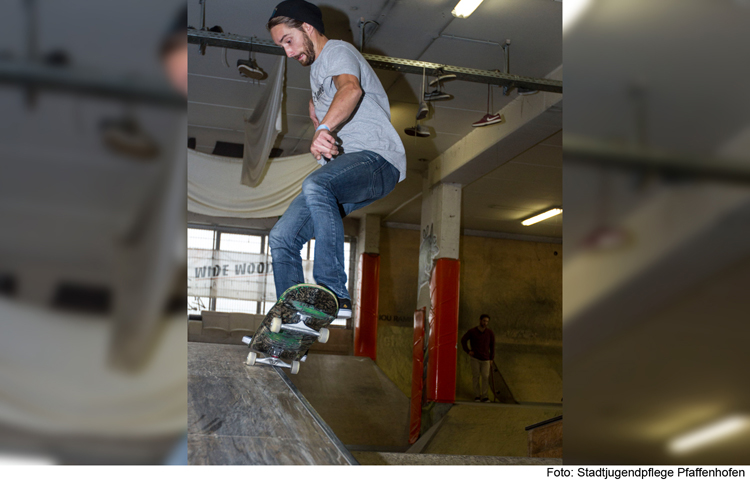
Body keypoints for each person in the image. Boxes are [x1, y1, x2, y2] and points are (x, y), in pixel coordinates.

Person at [266, 0, 406, 318]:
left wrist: (325, 126)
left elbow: (351, 89)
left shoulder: (337, 51)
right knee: (282, 236)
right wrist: (321, 126)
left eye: (288, 40)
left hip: (378, 160)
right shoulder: (317, 72)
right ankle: (291, 318)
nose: (287, 53)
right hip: (348, 170)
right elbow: (331, 112)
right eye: (281, 46)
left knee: (316, 185)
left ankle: (333, 292)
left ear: (308, 27)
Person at [461, 314, 495, 402]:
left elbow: (492, 346)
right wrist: (468, 351)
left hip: (486, 358)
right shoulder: (472, 331)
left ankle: (484, 396)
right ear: (480, 320)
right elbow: (463, 340)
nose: (485, 323)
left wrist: (491, 358)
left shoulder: (490, 333)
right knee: (476, 376)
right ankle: (477, 396)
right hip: (475, 358)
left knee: (485, 376)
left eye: (487, 321)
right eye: (484, 321)